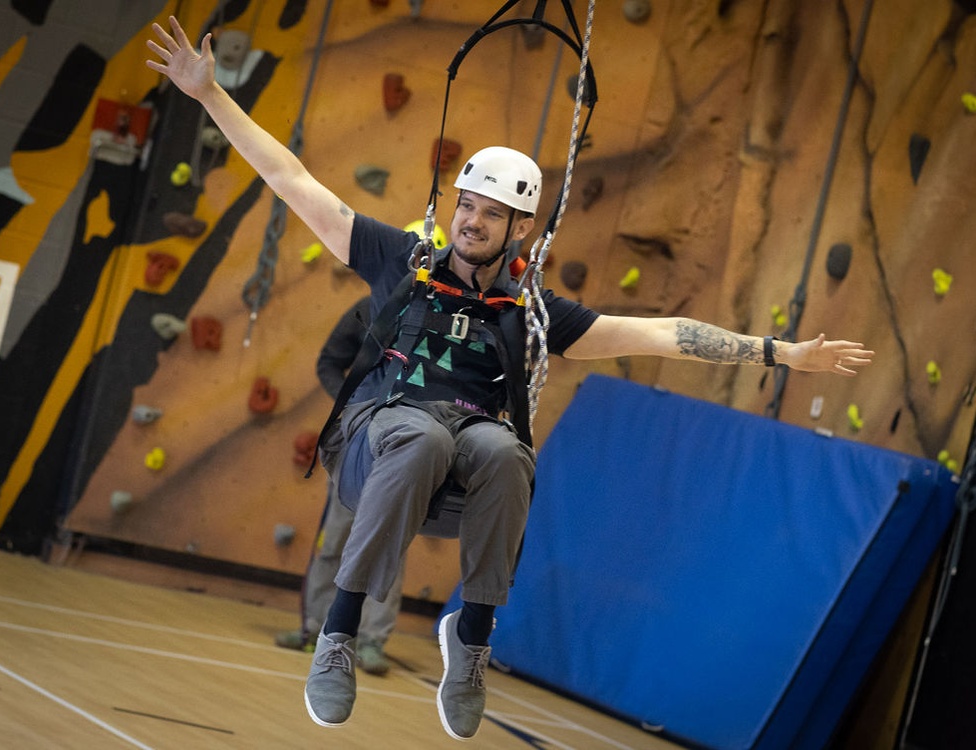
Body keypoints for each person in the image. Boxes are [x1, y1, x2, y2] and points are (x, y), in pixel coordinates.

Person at [146, 17, 874, 741]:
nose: (471, 221)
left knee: (504, 451)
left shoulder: (531, 310)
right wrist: (210, 95)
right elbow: (290, 178)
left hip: (463, 457)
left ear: (519, 228)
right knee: (423, 434)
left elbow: (659, 334)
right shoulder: (397, 258)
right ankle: (337, 633)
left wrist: (779, 353)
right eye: (466, 204)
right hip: (380, 440)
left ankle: (472, 639)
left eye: (490, 214)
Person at [274, 296, 404, 677]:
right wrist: (353, 403)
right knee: (333, 539)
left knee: (389, 543)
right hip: (356, 440)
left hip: (407, 444)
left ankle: (371, 641)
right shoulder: (368, 308)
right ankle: (314, 628)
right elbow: (329, 361)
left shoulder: (442, 314)